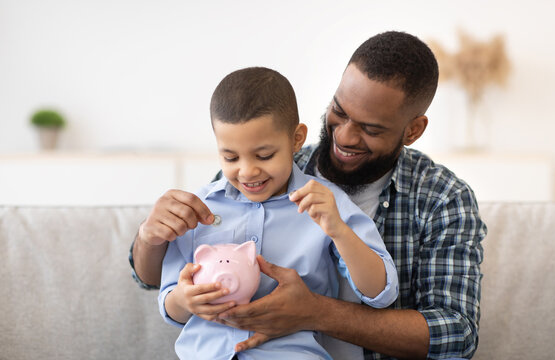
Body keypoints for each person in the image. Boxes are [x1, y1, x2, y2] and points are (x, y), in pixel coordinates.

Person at [130, 30, 487, 359]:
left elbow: (457, 334)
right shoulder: (254, 168)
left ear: (413, 130)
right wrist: (149, 236)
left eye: (371, 128)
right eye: (339, 111)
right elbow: (154, 279)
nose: (345, 136)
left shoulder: (442, 198)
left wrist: (316, 312)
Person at [156, 66, 398, 359]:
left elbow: (380, 292)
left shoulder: (325, 202)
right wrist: (185, 300)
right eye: (230, 157)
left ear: (296, 139)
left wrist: (339, 230)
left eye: (264, 155)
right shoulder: (199, 207)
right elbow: (169, 303)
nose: (247, 171)